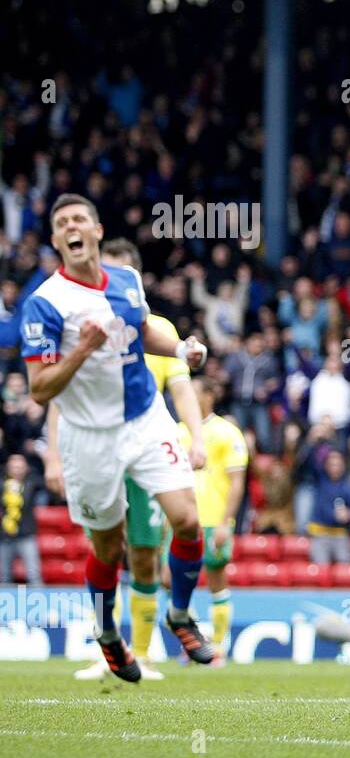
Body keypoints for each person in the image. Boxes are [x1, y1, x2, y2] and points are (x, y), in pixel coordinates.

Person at [21, 194, 214, 683]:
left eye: (80, 218)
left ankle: (179, 615)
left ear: (98, 230)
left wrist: (181, 347)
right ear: (56, 240)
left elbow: (144, 330)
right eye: (62, 222)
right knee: (110, 547)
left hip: (145, 417)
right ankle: (107, 633)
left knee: (188, 520)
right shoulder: (45, 304)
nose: (72, 226)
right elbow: (39, 389)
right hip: (89, 437)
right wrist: (83, 348)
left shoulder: (126, 281)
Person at [59, 238, 205, 681]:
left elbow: (182, 388)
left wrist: (196, 438)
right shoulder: (74, 319)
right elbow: (55, 393)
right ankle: (107, 644)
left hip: (143, 441)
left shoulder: (153, 327)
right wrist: (52, 458)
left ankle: (146, 651)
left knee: (144, 553)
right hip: (94, 442)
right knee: (105, 547)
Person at [177, 376, 247, 656]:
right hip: (182, 520)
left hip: (213, 520)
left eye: (194, 393)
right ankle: (193, 639)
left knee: (216, 580)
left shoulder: (227, 433)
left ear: (209, 396)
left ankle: (217, 646)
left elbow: (237, 482)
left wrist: (225, 523)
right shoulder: (177, 431)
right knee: (172, 580)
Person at [0, 453, 41, 585]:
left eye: (20, 466)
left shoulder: (31, 482)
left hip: (27, 535)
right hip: (5, 536)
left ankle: (42, 602)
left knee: (34, 575)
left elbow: (47, 483)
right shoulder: (2, 485)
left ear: (26, 468)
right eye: (13, 467)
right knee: (4, 577)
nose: (17, 470)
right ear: (8, 468)